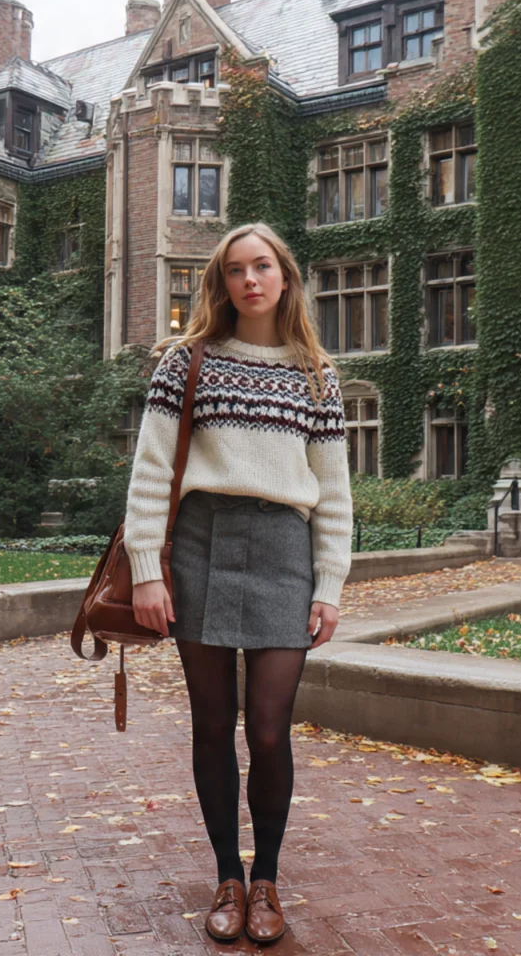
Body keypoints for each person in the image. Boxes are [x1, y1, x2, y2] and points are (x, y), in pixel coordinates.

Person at [122, 222, 353, 945]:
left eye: (262, 266)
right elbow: (152, 472)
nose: (249, 280)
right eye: (234, 270)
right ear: (220, 284)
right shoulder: (185, 363)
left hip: (286, 550)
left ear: (285, 275)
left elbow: (336, 491)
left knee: (272, 731)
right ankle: (227, 874)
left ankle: (268, 883)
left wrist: (331, 584)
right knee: (212, 725)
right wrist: (146, 572)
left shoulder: (317, 373)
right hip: (200, 545)